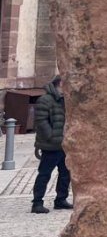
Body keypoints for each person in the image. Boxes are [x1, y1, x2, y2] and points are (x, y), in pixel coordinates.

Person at [31, 75, 71, 214]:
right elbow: (41, 121)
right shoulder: (45, 100)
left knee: (65, 174)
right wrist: (52, 136)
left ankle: (61, 200)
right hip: (51, 145)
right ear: (60, 83)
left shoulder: (65, 100)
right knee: (45, 174)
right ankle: (37, 202)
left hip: (64, 145)